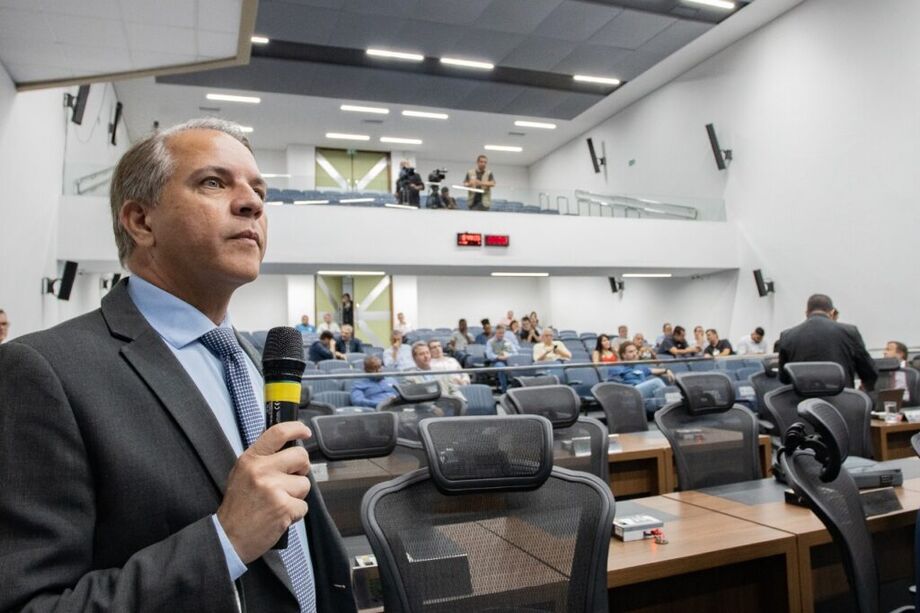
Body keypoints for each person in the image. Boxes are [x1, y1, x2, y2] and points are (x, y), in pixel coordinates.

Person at [0, 119, 355, 612]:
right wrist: (224, 541)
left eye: (259, 190)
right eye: (213, 182)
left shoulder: (254, 362)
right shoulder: (43, 372)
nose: (252, 203)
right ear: (141, 221)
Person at [777, 294, 877, 390]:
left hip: (802, 400)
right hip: (842, 399)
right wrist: (866, 387)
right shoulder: (850, 332)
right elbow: (869, 371)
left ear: (806, 313)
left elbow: (784, 378)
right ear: (832, 312)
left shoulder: (787, 336)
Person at [607, 342, 675, 416]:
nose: (635, 354)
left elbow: (652, 370)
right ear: (623, 355)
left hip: (641, 397)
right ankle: (670, 412)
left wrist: (666, 370)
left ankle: (666, 413)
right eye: (631, 352)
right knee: (657, 382)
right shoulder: (616, 368)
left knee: (657, 399)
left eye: (635, 351)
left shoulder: (639, 366)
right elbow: (614, 388)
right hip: (630, 394)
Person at [485, 325, 517, 392]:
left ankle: (514, 387)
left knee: (515, 365)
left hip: (507, 360)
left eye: (503, 333)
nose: (501, 335)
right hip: (495, 362)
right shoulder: (490, 342)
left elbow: (515, 353)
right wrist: (498, 357)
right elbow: (489, 355)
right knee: (501, 366)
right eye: (499, 333)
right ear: (495, 333)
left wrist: (508, 356)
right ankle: (504, 390)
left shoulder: (507, 341)